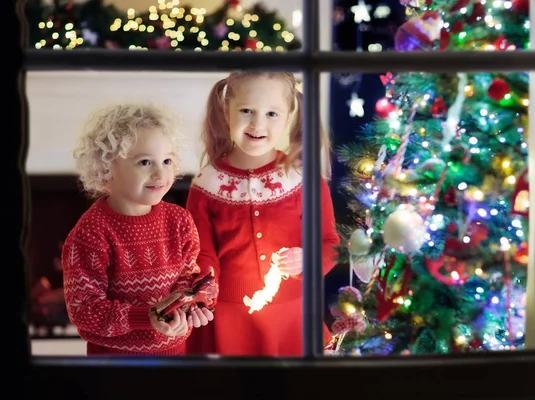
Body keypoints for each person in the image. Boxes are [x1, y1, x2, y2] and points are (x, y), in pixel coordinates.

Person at [186, 72, 340, 356]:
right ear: (226, 110)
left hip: (292, 317)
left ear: (289, 115)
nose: (257, 124)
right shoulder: (205, 183)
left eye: (272, 113)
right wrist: (203, 290)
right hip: (226, 319)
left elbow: (329, 245)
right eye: (246, 111)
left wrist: (307, 260)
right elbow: (200, 253)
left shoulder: (303, 179)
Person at [61, 102, 216, 356]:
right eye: (145, 162)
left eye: (166, 160)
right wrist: (147, 317)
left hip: (175, 353)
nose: (160, 173)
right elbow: (84, 309)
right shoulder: (91, 233)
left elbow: (187, 278)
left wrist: (190, 307)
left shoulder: (180, 221)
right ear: (107, 168)